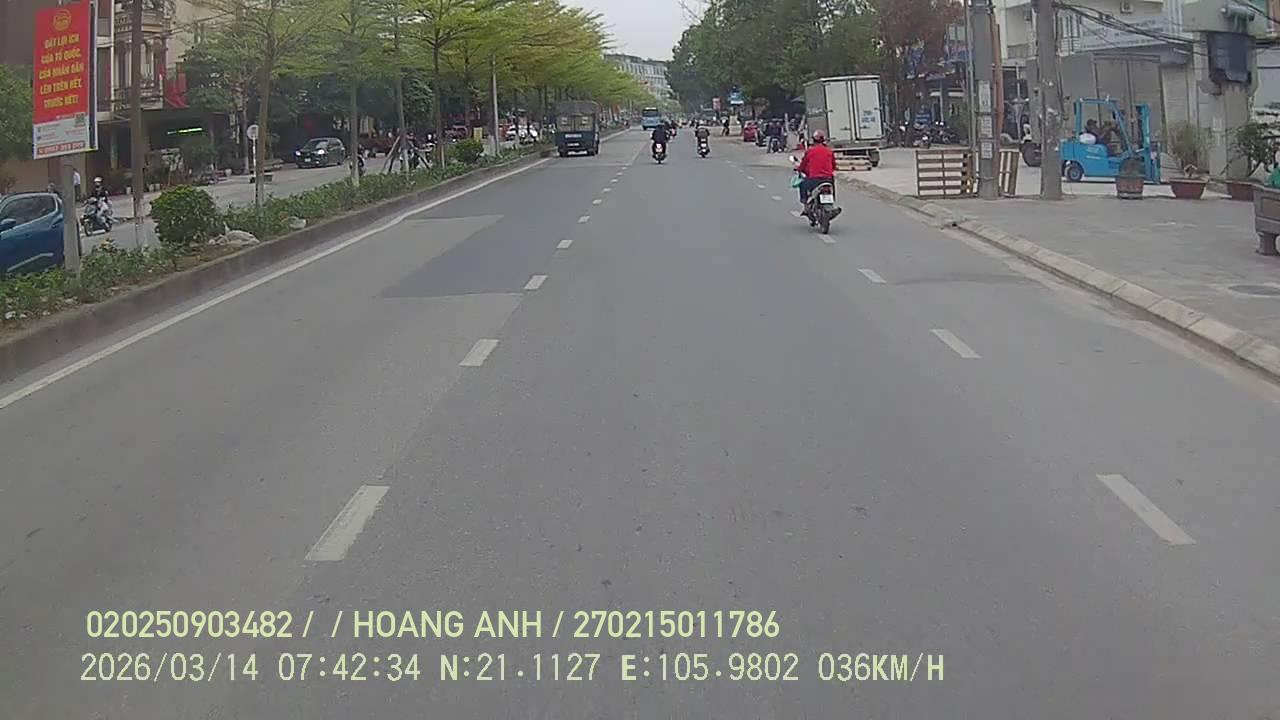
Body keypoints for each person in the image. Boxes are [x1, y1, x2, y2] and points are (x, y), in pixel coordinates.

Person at [796, 129, 837, 213]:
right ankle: (832, 202)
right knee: (831, 185)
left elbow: (803, 164)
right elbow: (833, 165)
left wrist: (799, 169)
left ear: (813, 140)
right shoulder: (829, 151)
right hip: (828, 179)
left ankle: (805, 205)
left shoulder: (810, 151)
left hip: (814, 180)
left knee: (802, 183)